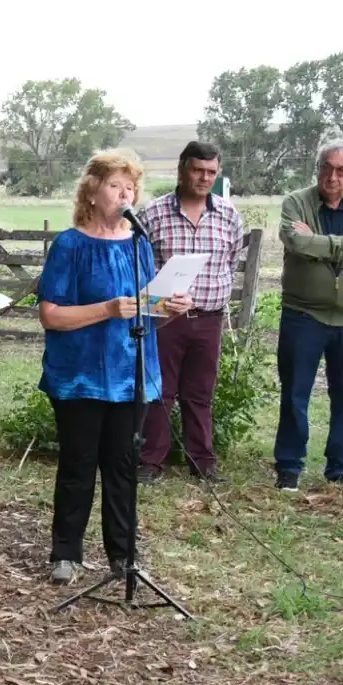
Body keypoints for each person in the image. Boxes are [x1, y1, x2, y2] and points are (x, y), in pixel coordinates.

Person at [37, 152, 193, 585]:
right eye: (115, 186)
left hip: (131, 375)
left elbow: (146, 310)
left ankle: (124, 555)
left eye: (131, 188)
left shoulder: (139, 242)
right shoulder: (70, 245)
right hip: (80, 376)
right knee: (78, 464)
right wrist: (105, 309)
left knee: (123, 466)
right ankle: (65, 552)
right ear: (92, 190)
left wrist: (172, 309)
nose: (125, 195)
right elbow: (51, 315)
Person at [273, 138, 343, 494]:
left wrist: (320, 245)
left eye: (341, 170)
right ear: (317, 167)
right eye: (326, 167)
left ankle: (340, 469)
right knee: (294, 394)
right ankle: (289, 467)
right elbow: (296, 243)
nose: (332, 177)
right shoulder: (295, 202)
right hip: (303, 314)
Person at [135, 141, 246, 483]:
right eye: (197, 170)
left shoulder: (228, 215)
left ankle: (202, 461)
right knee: (161, 392)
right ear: (182, 169)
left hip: (208, 319)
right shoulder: (153, 214)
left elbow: (232, 261)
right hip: (165, 319)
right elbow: (139, 270)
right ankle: (151, 462)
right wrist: (158, 305)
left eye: (211, 172)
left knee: (200, 393)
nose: (204, 178)